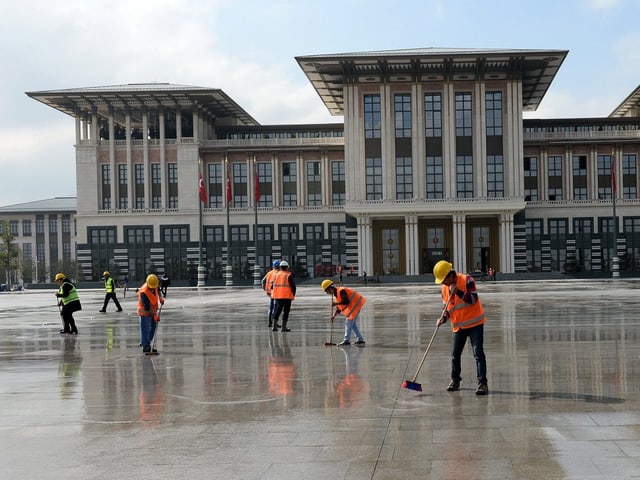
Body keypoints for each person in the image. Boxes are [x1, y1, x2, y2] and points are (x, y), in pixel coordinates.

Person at [433, 260, 489, 396]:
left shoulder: (467, 280)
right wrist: (443, 318)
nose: (443, 283)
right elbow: (448, 307)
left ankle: (482, 384)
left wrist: (458, 292)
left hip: (475, 324)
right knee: (454, 355)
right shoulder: (444, 288)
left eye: (444, 280)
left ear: (450, 275)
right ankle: (455, 381)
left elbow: (473, 299)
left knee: (478, 354)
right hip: (458, 326)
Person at [321, 279, 366, 347]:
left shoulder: (341, 291)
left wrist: (336, 303)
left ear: (330, 288)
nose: (328, 293)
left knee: (348, 322)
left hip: (355, 304)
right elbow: (340, 307)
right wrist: (334, 315)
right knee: (352, 324)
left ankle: (346, 341)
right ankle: (360, 339)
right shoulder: (337, 294)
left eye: (327, 291)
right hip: (355, 305)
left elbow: (346, 301)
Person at [137, 274, 165, 354]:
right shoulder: (144, 292)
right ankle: (146, 347)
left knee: (153, 329)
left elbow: (158, 290)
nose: (153, 288)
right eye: (151, 287)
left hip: (153, 311)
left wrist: (160, 297)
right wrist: (155, 315)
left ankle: (146, 342)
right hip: (144, 312)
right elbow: (147, 308)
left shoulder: (154, 284)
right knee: (146, 330)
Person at [270, 260, 296, 332]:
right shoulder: (288, 275)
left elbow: (272, 286)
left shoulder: (275, 275)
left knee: (278, 310)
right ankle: (283, 327)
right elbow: (293, 286)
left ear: (280, 267)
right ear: (287, 267)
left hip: (278, 296)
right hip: (287, 296)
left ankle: (274, 326)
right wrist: (293, 295)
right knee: (286, 311)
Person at [262, 260, 280, 328]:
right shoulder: (278, 273)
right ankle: (274, 322)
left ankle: (270, 322)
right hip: (276, 293)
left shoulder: (269, 273)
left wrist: (265, 289)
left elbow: (263, 281)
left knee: (271, 306)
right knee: (276, 307)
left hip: (269, 292)